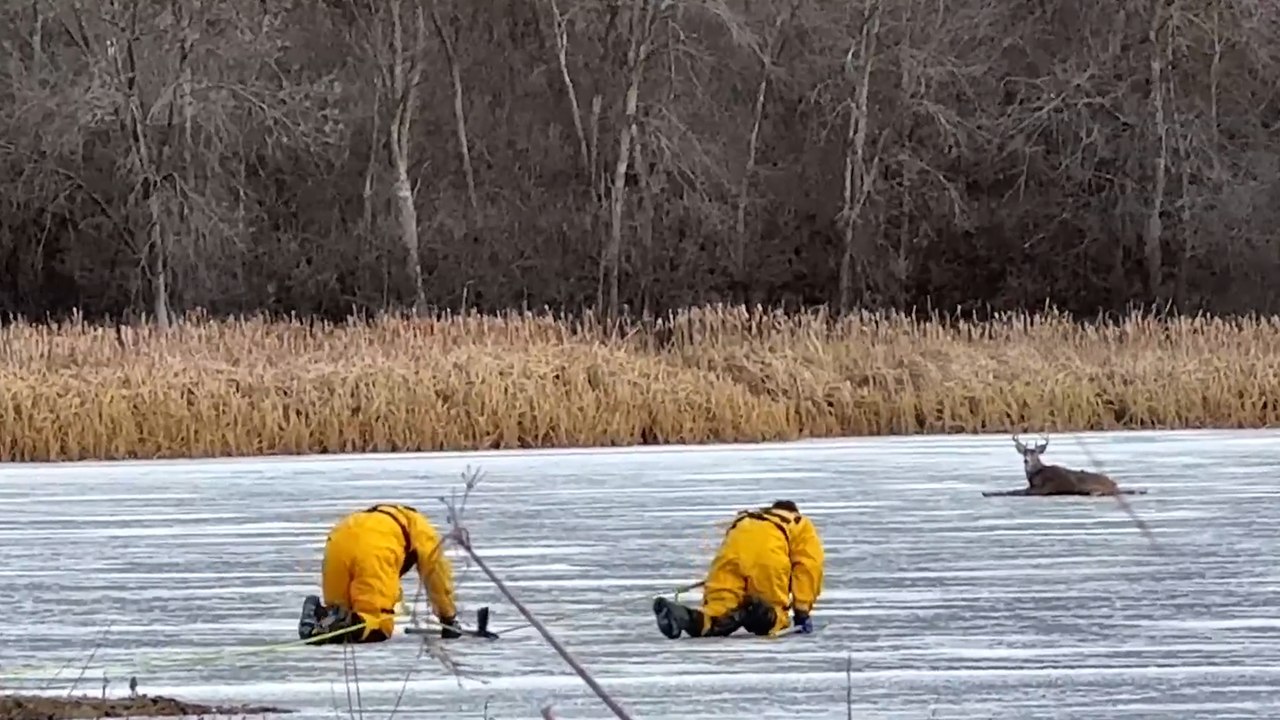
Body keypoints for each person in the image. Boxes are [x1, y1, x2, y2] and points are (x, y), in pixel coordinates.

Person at [652, 500, 824, 639]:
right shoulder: (799, 523)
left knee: (718, 610)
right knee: (774, 616)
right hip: (768, 555)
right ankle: (757, 611)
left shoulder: (749, 518)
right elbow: (808, 567)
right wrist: (802, 611)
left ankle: (687, 617)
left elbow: (738, 550)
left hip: (730, 556)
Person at [298, 503, 459, 644]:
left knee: (339, 612)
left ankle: (319, 616)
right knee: (377, 624)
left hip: (338, 540)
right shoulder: (421, 528)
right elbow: (436, 572)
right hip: (373, 548)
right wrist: (448, 617)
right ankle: (340, 620)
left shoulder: (381, 517)